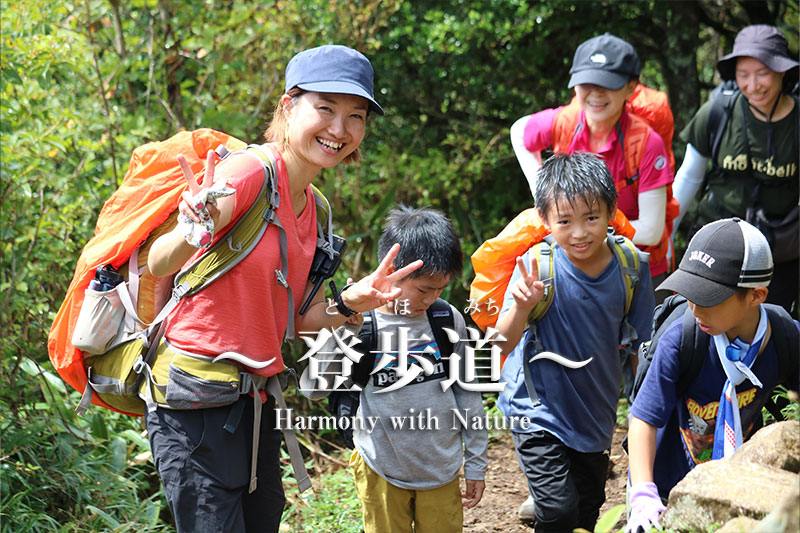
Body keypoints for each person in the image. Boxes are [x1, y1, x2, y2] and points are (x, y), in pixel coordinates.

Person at [144, 45, 422, 533]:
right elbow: (158, 261)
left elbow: (297, 321)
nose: (340, 129)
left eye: (356, 116)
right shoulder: (247, 174)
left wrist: (350, 302)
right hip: (194, 399)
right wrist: (194, 226)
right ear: (288, 106)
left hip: (255, 401)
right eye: (325, 109)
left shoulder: (315, 207)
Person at [301, 206, 488, 533]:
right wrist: (347, 328)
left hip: (442, 470)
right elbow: (313, 389)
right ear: (392, 271)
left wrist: (476, 464)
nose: (431, 299)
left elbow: (468, 395)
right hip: (380, 470)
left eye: (440, 288)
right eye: (424, 289)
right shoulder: (360, 323)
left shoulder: (446, 319)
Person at [495, 152, 655, 533]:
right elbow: (501, 343)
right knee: (559, 512)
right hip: (536, 410)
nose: (580, 232)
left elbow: (642, 346)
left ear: (611, 212)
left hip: (594, 415)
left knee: (585, 515)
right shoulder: (537, 266)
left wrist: (645, 412)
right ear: (545, 219)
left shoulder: (632, 266)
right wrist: (521, 305)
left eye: (591, 218)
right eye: (565, 221)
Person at [626, 218, 800, 532]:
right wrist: (642, 492)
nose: (694, 308)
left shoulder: (786, 339)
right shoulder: (681, 339)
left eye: (709, 297)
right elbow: (644, 420)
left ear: (756, 296)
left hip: (737, 490)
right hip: (662, 485)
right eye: (690, 293)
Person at [510, 33, 675, 291]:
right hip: (576, 266)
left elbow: (652, 231)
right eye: (587, 83)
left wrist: (582, 231)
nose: (596, 93)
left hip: (640, 267)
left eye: (608, 84)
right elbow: (519, 131)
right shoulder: (564, 121)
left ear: (630, 88)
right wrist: (545, 195)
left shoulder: (646, 143)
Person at [672, 25, 799, 316]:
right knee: (699, 324)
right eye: (743, 74)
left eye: (762, 73)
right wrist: (666, 235)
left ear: (782, 71)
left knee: (770, 328)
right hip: (713, 246)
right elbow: (689, 176)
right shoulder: (718, 112)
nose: (753, 85)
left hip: (778, 253)